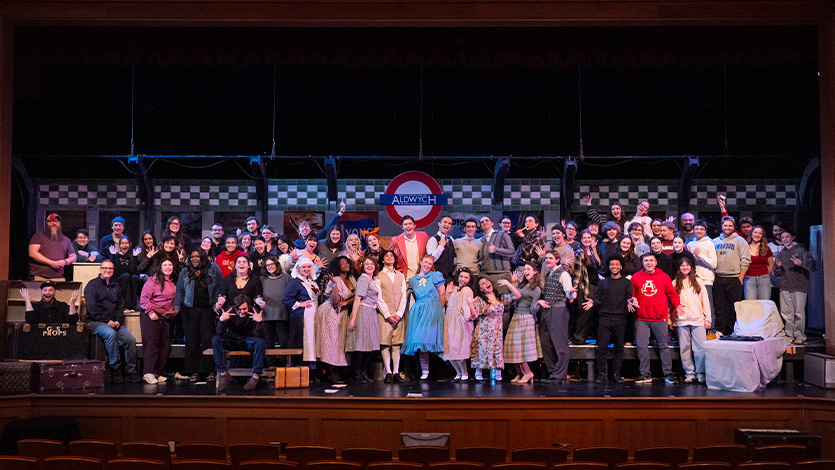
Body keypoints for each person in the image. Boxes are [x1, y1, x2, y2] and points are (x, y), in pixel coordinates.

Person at [632, 252, 685, 384]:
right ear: (642, 263)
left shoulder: (664, 276)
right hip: (642, 318)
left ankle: (668, 374)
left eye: (651, 260)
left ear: (656, 262)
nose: (649, 263)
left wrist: (677, 306)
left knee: (664, 347)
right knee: (642, 347)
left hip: (660, 318)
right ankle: (645, 374)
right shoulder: (636, 277)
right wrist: (631, 299)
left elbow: (673, 294)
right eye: (646, 261)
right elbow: (631, 293)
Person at [84, 260, 141, 384]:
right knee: (110, 334)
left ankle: (130, 372)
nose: (107, 270)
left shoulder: (116, 285)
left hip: (114, 322)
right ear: (100, 269)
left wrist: (117, 321)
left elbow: (121, 306)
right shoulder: (92, 285)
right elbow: (92, 308)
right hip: (95, 321)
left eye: (110, 268)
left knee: (130, 340)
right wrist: (106, 321)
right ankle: (115, 368)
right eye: (105, 268)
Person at [583, 254, 634, 384]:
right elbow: (598, 298)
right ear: (609, 266)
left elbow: (629, 297)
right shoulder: (603, 282)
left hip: (620, 319)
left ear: (621, 266)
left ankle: (617, 373)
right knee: (602, 347)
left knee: (619, 348)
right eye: (612, 264)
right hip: (604, 318)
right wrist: (593, 302)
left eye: (617, 264)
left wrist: (629, 302)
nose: (614, 266)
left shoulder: (627, 283)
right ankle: (601, 373)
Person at [175, 249, 223, 382]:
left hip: (208, 310)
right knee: (191, 340)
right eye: (192, 257)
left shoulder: (214, 268)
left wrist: (216, 305)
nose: (194, 259)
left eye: (197, 256)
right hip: (190, 310)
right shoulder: (185, 270)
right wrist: (177, 306)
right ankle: (193, 371)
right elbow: (180, 289)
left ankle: (209, 371)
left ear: (203, 257)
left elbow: (219, 287)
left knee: (207, 340)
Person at [402, 254, 446, 380]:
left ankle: (455, 369)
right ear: (421, 262)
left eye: (430, 264)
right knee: (420, 341)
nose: (427, 265)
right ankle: (425, 371)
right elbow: (415, 297)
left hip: (433, 308)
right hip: (419, 310)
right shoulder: (413, 280)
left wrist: (438, 308)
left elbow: (442, 293)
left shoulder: (435, 276)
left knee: (433, 339)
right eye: (425, 262)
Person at [537, 251, 577, 385]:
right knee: (545, 342)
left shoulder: (563, 274)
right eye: (546, 258)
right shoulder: (549, 273)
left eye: (550, 258)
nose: (547, 260)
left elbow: (569, 293)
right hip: (547, 310)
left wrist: (571, 294)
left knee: (560, 345)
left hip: (558, 310)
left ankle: (560, 375)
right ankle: (553, 372)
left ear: (557, 260)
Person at [213, 294, 266, 392]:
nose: (242, 312)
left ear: (249, 306)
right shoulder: (230, 311)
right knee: (216, 339)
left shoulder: (254, 312)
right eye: (239, 309)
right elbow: (220, 333)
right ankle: (224, 374)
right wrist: (221, 321)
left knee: (261, 342)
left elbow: (258, 335)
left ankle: (256, 376)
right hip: (233, 340)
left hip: (248, 341)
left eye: (244, 309)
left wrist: (259, 323)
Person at [314, 256, 355, 383]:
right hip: (330, 312)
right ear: (338, 267)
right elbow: (336, 301)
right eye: (342, 264)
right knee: (331, 342)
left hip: (342, 313)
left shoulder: (352, 279)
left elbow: (358, 296)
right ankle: (331, 374)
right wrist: (335, 284)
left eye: (347, 263)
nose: (346, 265)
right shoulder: (335, 280)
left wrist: (347, 302)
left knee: (339, 342)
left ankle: (339, 373)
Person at [773, 227, 816, 344]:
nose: (785, 239)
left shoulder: (800, 250)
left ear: (792, 238)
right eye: (782, 238)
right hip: (785, 286)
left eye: (787, 237)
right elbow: (777, 273)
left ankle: (800, 336)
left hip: (799, 286)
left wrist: (801, 263)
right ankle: (789, 336)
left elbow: (813, 265)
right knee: (787, 313)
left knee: (799, 312)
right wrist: (777, 267)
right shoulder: (780, 254)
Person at [139, 259, 178, 384]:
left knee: (165, 345)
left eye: (170, 264)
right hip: (152, 315)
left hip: (166, 316)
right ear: (160, 267)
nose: (167, 267)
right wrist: (151, 312)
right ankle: (148, 373)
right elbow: (144, 298)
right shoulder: (153, 280)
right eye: (165, 265)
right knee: (152, 344)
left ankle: (158, 372)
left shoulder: (172, 281)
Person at [672, 258, 711, 384]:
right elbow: (671, 303)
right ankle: (689, 373)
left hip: (698, 319)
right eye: (682, 265)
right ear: (679, 268)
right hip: (682, 320)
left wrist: (708, 318)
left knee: (699, 348)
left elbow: (705, 301)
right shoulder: (674, 283)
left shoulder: (698, 282)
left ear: (691, 267)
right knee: (684, 348)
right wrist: (671, 319)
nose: (685, 267)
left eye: (687, 265)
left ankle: (701, 373)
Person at [500, 263, 540, 384]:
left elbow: (533, 309)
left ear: (535, 272)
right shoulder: (523, 285)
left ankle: (528, 373)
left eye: (528, 269)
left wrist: (539, 304)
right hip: (516, 316)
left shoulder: (536, 289)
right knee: (513, 348)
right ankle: (520, 373)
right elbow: (516, 295)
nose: (526, 271)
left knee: (520, 349)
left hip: (525, 318)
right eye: (525, 269)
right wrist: (513, 283)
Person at [712, 216, 751, 335]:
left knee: (734, 307)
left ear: (733, 227)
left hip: (734, 278)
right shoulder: (714, 241)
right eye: (725, 225)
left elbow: (746, 260)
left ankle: (734, 330)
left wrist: (740, 278)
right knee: (719, 307)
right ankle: (720, 330)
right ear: (721, 226)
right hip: (718, 278)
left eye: (730, 225)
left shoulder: (740, 241)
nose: (727, 228)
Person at [347, 257, 381, 382]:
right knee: (361, 344)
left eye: (371, 264)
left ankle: (363, 371)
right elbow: (357, 299)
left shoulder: (372, 280)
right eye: (366, 264)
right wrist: (353, 318)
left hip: (371, 312)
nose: (369, 266)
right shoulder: (363, 278)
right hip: (363, 311)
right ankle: (357, 373)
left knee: (370, 344)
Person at [376, 249, 408, 383]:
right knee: (385, 344)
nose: (389, 257)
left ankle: (396, 372)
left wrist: (399, 314)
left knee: (396, 344)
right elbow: (378, 297)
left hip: (397, 315)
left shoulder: (400, 276)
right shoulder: (378, 276)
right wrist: (388, 315)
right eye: (386, 256)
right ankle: (388, 372)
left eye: (391, 256)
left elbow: (403, 296)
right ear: (382, 260)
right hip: (385, 315)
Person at [282, 257, 320, 368]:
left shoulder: (311, 282)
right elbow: (285, 298)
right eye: (304, 267)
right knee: (304, 341)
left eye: (309, 267)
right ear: (298, 268)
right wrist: (300, 304)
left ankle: (312, 369)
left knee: (312, 341)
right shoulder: (295, 281)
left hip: (313, 315)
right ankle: (301, 367)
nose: (306, 269)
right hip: (302, 316)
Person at [444, 268, 477, 382]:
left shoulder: (467, 290)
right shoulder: (454, 289)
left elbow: (465, 306)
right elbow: (449, 304)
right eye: (461, 276)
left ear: (469, 280)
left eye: (466, 277)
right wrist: (448, 294)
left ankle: (465, 372)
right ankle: (458, 372)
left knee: (459, 347)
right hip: (450, 319)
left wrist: (466, 318)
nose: (463, 279)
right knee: (450, 348)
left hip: (460, 320)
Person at [471, 277, 505, 381]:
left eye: (487, 281)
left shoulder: (500, 298)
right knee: (482, 349)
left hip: (497, 329)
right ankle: (478, 372)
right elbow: (475, 314)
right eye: (483, 283)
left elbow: (517, 296)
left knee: (497, 349)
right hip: (484, 328)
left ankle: (497, 373)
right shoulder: (479, 300)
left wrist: (510, 283)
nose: (486, 283)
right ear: (481, 289)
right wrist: (482, 309)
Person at [570, 230, 601, 345]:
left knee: (590, 312)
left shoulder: (590, 251)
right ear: (581, 239)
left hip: (593, 286)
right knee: (584, 312)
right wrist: (575, 289)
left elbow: (598, 263)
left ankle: (584, 336)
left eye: (589, 237)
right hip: (584, 287)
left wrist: (593, 248)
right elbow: (577, 273)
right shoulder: (579, 253)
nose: (587, 239)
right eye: (585, 238)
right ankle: (579, 337)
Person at [687, 219, 718, 331]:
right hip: (693, 279)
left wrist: (700, 256)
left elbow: (714, 264)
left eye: (701, 229)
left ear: (705, 230)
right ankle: (697, 329)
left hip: (706, 279)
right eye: (696, 229)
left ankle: (711, 330)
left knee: (707, 305)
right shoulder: (690, 244)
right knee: (695, 305)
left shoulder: (709, 243)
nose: (699, 231)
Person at [29, 213, 76, 281]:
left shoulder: (66, 240)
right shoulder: (38, 236)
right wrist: (51, 263)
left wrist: (64, 262)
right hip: (40, 277)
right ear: (47, 223)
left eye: (56, 221)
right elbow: (32, 253)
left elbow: (73, 257)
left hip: (59, 277)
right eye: (50, 221)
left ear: (59, 223)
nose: (53, 223)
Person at [260, 255, 291, 357]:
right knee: (269, 344)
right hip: (267, 315)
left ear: (277, 264)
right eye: (267, 265)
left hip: (282, 315)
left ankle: (284, 367)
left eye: (271, 264)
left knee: (284, 343)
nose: (269, 267)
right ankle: (271, 366)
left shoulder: (286, 278)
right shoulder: (262, 279)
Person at [389, 215, 430, 279]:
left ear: (414, 225)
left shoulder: (423, 236)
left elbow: (429, 255)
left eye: (410, 224)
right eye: (405, 224)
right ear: (402, 227)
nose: (408, 226)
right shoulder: (396, 241)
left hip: (422, 276)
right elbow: (389, 257)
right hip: (406, 277)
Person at [745, 225, 774, 301]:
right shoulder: (745, 248)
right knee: (750, 305)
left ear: (762, 236)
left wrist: (764, 274)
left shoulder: (766, 248)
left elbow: (771, 264)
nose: (757, 235)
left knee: (765, 304)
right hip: (749, 279)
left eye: (760, 233)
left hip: (764, 279)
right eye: (755, 232)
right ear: (751, 234)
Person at [426, 216, 456, 283]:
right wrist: (441, 246)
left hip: (449, 278)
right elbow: (430, 260)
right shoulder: (433, 240)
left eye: (449, 223)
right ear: (439, 224)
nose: (447, 225)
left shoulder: (451, 239)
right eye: (445, 222)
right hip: (436, 278)